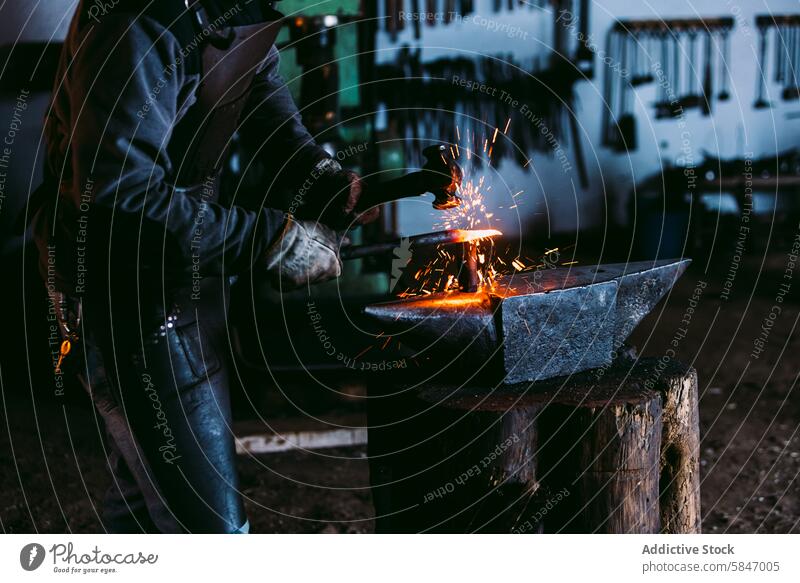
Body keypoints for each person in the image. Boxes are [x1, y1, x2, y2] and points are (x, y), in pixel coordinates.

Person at [27, 0, 377, 533]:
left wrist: (316, 172)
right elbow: (121, 195)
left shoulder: (228, 6)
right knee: (211, 536)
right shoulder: (138, 22)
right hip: (124, 292)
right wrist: (272, 239)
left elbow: (255, 82)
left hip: (182, 278)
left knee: (146, 510)